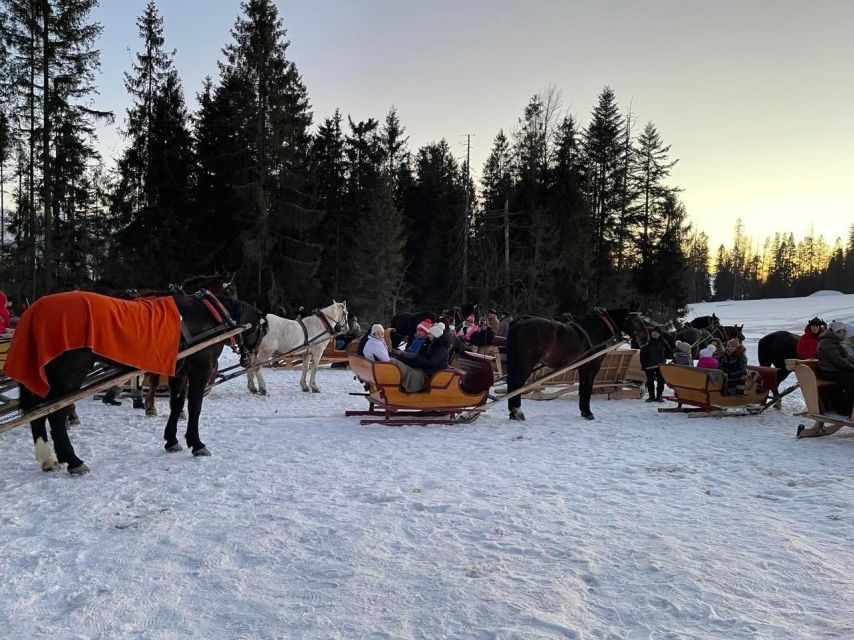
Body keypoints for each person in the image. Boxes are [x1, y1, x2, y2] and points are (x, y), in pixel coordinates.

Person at [393, 322, 451, 392]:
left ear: (435, 335)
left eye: (430, 333)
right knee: (397, 362)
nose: (428, 335)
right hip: (422, 369)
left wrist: (417, 359)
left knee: (400, 366)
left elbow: (432, 363)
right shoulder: (428, 343)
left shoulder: (441, 349)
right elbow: (420, 355)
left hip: (430, 375)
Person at [816, 321, 854, 416]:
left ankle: (846, 406)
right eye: (843, 331)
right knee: (851, 380)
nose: (845, 333)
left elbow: (845, 356)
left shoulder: (835, 341)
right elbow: (837, 360)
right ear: (838, 332)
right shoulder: (827, 343)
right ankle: (845, 409)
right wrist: (852, 368)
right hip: (828, 371)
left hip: (835, 370)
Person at [639, 327, 673, 402]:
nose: (654, 333)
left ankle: (659, 397)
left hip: (661, 366)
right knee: (650, 382)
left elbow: (669, 352)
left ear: (659, 334)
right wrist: (644, 365)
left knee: (661, 382)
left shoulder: (663, 342)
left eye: (656, 332)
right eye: (653, 332)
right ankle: (651, 397)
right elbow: (642, 355)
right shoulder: (647, 342)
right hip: (649, 366)